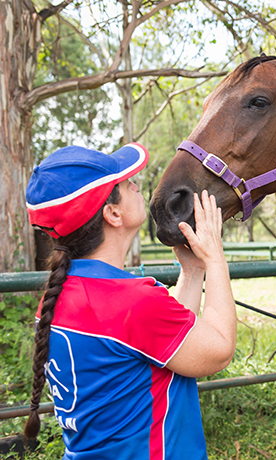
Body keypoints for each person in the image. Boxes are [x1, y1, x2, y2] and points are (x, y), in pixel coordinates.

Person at [23, 142, 236, 459]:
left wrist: (192, 271)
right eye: (126, 183)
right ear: (112, 213)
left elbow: (169, 344)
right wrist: (216, 258)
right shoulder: (130, 301)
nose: (137, 185)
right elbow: (218, 351)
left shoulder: (59, 296)